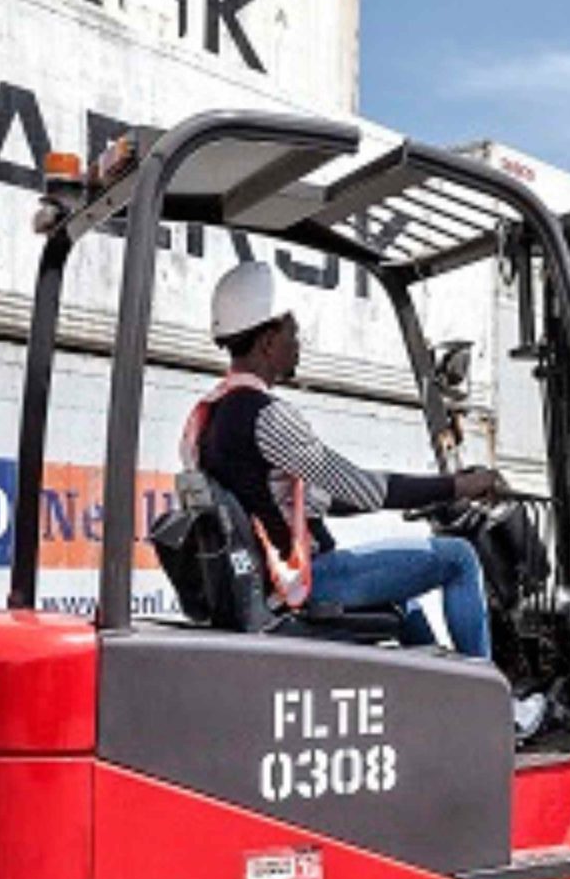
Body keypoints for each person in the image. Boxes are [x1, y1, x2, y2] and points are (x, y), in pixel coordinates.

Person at [183, 261, 503, 656]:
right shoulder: (265, 416)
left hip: (270, 583)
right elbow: (366, 489)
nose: (298, 343)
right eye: (292, 333)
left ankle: (440, 697)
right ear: (267, 341)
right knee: (459, 558)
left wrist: (424, 495)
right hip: (302, 583)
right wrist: (460, 485)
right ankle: (487, 702)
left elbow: (318, 499)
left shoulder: (211, 416)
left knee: (406, 598)